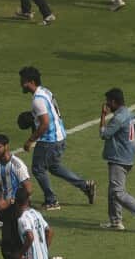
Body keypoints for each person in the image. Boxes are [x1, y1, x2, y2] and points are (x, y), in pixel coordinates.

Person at [20, 66, 96, 211]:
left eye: (23, 81)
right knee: (54, 167)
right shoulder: (45, 91)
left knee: (38, 169)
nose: (21, 84)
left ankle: (51, 201)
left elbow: (45, 123)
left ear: (31, 81)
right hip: (59, 136)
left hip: (49, 140)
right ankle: (85, 186)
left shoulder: (37, 100)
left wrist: (30, 140)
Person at [98, 87, 135, 234]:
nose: (107, 105)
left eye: (108, 102)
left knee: (118, 192)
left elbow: (104, 134)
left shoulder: (118, 118)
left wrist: (103, 116)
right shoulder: (132, 116)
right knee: (112, 191)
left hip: (119, 159)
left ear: (113, 101)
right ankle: (116, 221)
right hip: (127, 158)